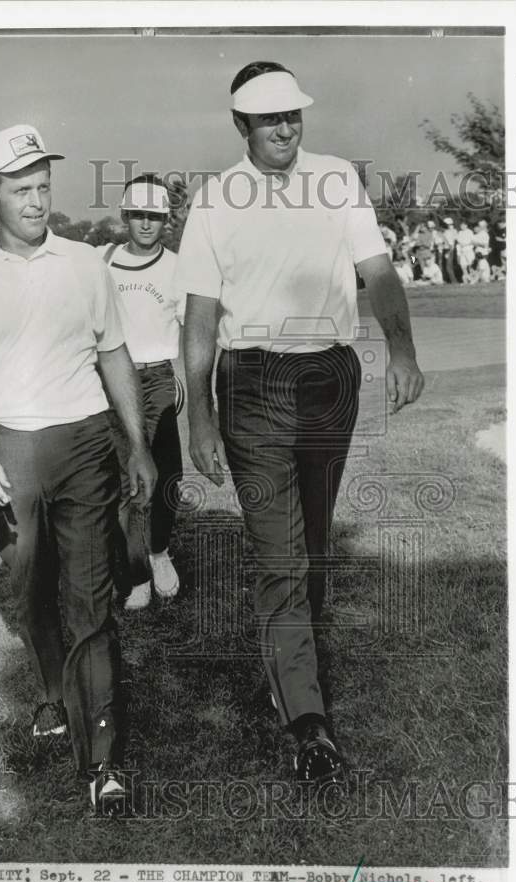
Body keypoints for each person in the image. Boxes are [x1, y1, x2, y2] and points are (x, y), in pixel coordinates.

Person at [174, 61, 424, 785]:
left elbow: (376, 269)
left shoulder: (338, 177)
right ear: (240, 126)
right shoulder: (215, 199)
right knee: (278, 555)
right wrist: (199, 418)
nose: (284, 129)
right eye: (268, 120)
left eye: (293, 116)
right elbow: (197, 318)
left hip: (329, 377)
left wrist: (400, 351)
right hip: (250, 379)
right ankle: (307, 721)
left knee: (312, 539)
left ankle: (290, 660)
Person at [0, 124, 156, 814]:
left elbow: (113, 354)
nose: (36, 200)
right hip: (6, 445)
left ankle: (101, 762)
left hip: (82, 440)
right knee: (30, 582)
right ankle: (51, 690)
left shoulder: (86, 264)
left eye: (44, 186)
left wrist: (136, 443)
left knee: (90, 596)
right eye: (21, 189)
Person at [98, 175, 184, 610]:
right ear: (125, 217)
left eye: (155, 216)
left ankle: (158, 552)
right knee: (124, 478)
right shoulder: (102, 260)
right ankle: (134, 572)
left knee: (167, 474)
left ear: (165, 219)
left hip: (159, 377)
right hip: (114, 380)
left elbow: (189, 330)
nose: (147, 225)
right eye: (139, 216)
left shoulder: (176, 266)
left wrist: (184, 378)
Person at [440, 217, 458, 283]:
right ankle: (450, 280)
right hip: (447, 250)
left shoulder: (449, 232)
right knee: (447, 266)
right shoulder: (450, 231)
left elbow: (451, 244)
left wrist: (448, 252)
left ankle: (454, 281)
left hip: (449, 250)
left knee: (448, 267)